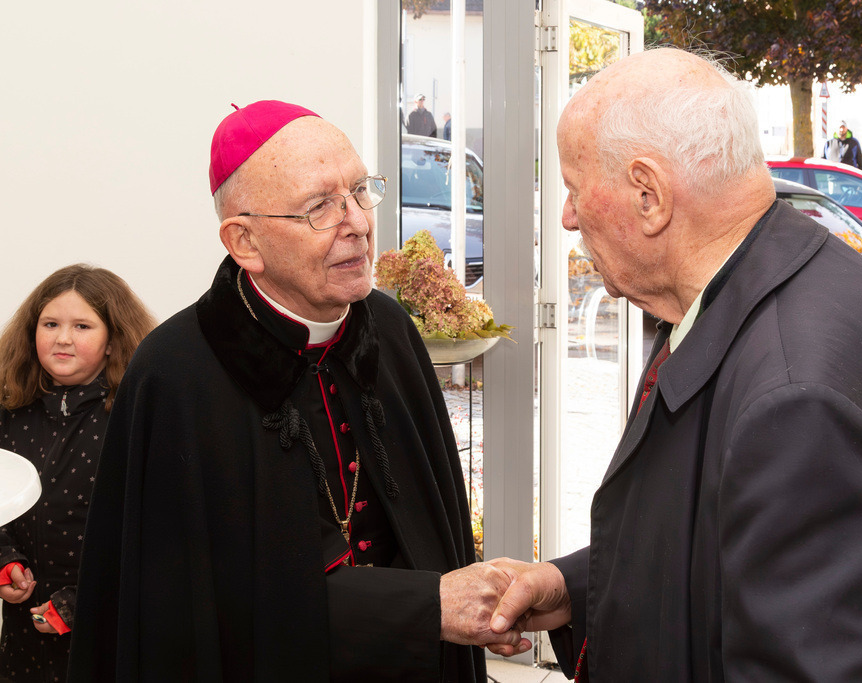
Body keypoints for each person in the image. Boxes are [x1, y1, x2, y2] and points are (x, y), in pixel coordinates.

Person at [485, 48, 862, 681]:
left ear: (649, 195)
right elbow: (731, 534)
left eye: (575, 190)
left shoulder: (797, 402)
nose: (569, 216)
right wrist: (575, 584)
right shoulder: (763, 288)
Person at [66, 101, 518, 683]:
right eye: (320, 206)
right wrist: (428, 605)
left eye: (360, 190)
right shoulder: (176, 372)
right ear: (245, 241)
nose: (356, 221)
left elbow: (432, 528)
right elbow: (204, 611)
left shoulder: (388, 329)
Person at [0, 265, 155, 682]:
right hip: (22, 633)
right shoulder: (9, 408)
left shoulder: (136, 416)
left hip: (108, 625)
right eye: (50, 323)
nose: (63, 338)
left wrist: (76, 605)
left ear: (112, 341)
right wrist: (4, 562)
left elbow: (154, 533)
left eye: (82, 325)